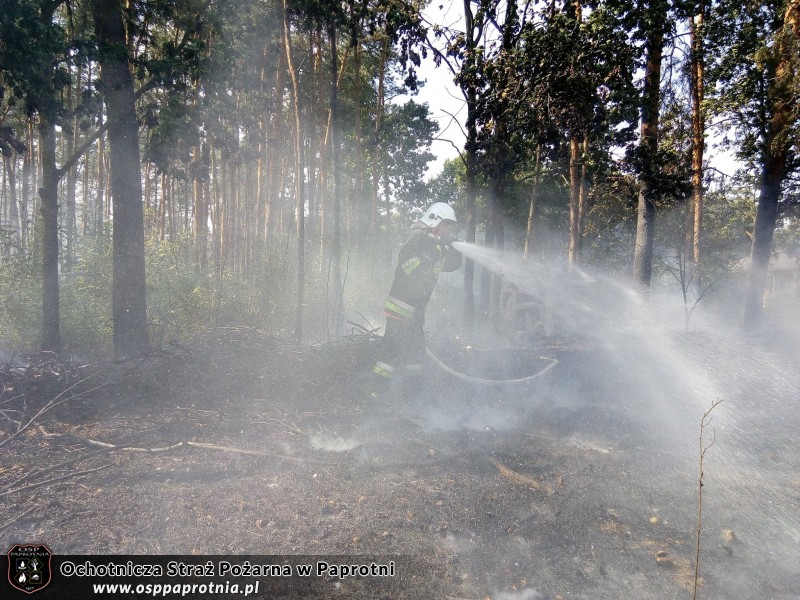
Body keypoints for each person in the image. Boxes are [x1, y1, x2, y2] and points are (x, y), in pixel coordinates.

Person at [372, 202, 462, 396]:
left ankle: (411, 394)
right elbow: (406, 267)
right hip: (400, 307)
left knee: (416, 352)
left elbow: (452, 265)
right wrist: (432, 252)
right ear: (435, 222)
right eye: (445, 224)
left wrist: (453, 246)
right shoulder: (418, 240)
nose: (446, 229)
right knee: (392, 349)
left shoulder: (436, 246)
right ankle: (377, 393)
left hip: (416, 311)